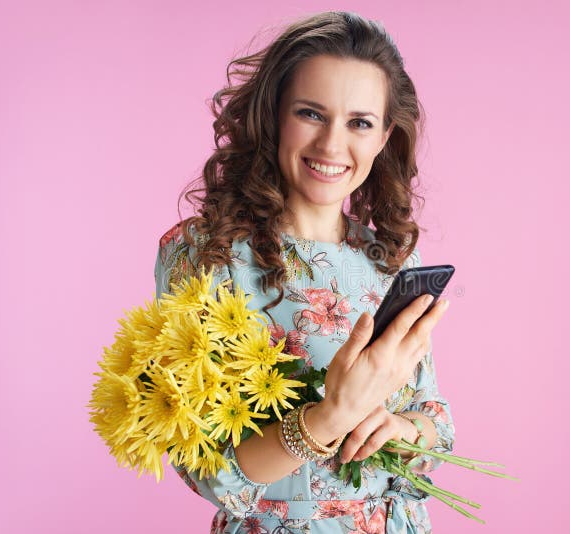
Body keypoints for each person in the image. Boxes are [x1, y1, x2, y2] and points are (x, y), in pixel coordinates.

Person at [154, 11, 455, 533]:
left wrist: (400, 428)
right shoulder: (206, 253)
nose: (332, 146)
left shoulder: (392, 260)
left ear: (385, 136)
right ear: (273, 116)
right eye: (312, 114)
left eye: (360, 122)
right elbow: (206, 468)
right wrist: (328, 418)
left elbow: (437, 425)